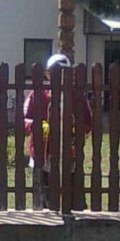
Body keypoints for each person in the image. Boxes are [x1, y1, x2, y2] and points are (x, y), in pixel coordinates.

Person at [23, 53, 92, 210]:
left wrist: (74, 130)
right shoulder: (37, 94)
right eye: (54, 73)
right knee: (43, 199)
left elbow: (88, 122)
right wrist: (39, 127)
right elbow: (24, 119)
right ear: (47, 74)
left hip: (70, 154)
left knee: (74, 197)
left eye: (64, 73)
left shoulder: (77, 96)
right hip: (42, 154)